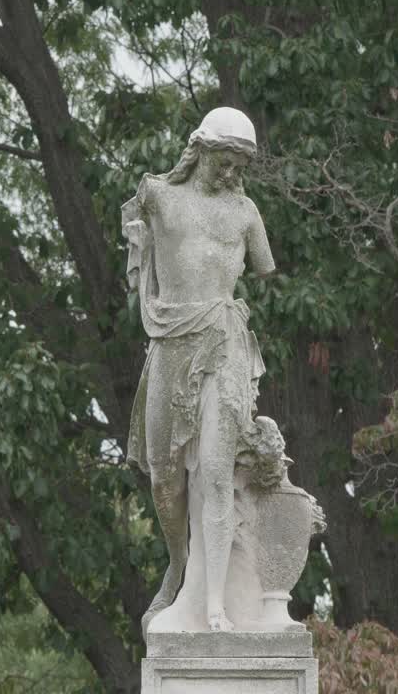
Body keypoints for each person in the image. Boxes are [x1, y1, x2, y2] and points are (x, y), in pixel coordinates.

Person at [123, 107, 276, 633]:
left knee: (215, 472)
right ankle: (179, 565)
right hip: (171, 344)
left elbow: (262, 265)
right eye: (225, 160)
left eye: (240, 164)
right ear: (201, 151)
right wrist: (140, 256)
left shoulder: (246, 214)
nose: (232, 172)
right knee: (165, 480)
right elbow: (132, 224)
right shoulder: (160, 197)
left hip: (225, 340)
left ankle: (213, 607)